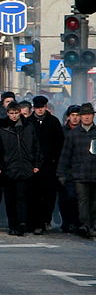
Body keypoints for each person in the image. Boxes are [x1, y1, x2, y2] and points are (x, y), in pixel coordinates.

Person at [0, 102, 42, 235]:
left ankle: (22, 223)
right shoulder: (1, 127)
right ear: (7, 113)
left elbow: (36, 147)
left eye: (16, 113)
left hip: (25, 168)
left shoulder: (28, 126)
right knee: (10, 199)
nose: (13, 116)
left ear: (20, 112)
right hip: (8, 169)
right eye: (11, 113)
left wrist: (36, 165)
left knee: (22, 197)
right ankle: (13, 225)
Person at [57, 102, 96, 239]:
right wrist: (61, 173)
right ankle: (85, 225)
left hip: (94, 173)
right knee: (82, 201)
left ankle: (92, 224)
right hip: (79, 174)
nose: (86, 117)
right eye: (84, 115)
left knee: (93, 202)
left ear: (93, 116)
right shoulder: (73, 134)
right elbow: (65, 155)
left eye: (89, 115)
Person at [27, 95, 64, 235]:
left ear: (45, 107)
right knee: (34, 195)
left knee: (49, 196)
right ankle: (36, 222)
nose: (40, 110)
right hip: (33, 165)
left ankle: (45, 220)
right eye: (37, 108)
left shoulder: (53, 122)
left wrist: (56, 161)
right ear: (33, 108)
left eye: (42, 107)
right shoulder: (28, 122)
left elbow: (60, 143)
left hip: (50, 166)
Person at [59, 105, 82, 233]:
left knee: (79, 198)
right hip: (66, 169)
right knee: (66, 198)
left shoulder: (85, 132)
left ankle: (78, 222)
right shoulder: (62, 131)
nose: (75, 118)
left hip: (81, 169)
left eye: (77, 115)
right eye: (72, 115)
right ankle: (67, 222)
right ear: (68, 117)